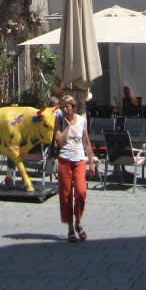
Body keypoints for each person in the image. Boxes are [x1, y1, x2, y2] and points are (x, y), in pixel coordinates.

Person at [54, 94, 96, 243]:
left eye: (68, 107)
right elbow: (58, 140)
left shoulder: (82, 121)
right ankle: (70, 228)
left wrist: (91, 162)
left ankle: (78, 220)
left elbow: (86, 142)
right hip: (64, 159)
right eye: (63, 106)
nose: (65, 109)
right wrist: (68, 127)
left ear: (73, 107)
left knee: (80, 191)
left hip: (79, 160)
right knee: (65, 195)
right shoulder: (59, 120)